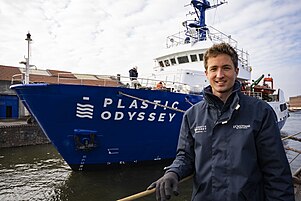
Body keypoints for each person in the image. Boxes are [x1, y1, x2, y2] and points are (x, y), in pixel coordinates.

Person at [147, 43, 294, 201]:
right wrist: (173, 172)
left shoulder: (260, 112)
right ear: (206, 73)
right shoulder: (192, 116)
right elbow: (185, 156)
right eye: (213, 69)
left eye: (226, 68)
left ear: (236, 71)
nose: (219, 75)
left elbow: (276, 172)